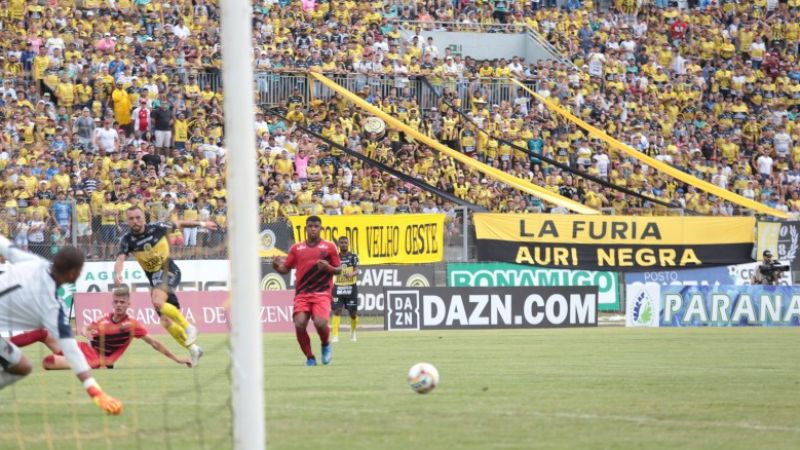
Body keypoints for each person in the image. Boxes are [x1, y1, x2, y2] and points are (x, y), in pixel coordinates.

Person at [0, 239, 122, 415]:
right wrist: (95, 391)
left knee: (22, 366)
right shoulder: (51, 307)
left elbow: (5, 245)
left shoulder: (34, 262)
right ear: (74, 273)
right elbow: (71, 351)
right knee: (21, 367)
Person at [114, 206, 217, 366]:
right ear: (127, 221)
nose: (135, 221)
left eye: (138, 217)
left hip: (170, 271)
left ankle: (189, 327)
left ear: (144, 218)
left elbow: (180, 223)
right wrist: (118, 273)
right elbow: (120, 259)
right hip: (155, 280)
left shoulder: (158, 228)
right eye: (131, 218)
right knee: (165, 321)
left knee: (157, 301)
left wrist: (202, 224)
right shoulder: (127, 240)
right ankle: (193, 349)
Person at [11, 286, 192, 370]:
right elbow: (83, 329)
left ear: (129, 304)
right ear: (112, 303)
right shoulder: (103, 318)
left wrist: (177, 359)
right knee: (43, 332)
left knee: (48, 362)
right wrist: (81, 331)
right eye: (116, 302)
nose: (119, 305)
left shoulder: (132, 325)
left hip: (96, 360)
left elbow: (154, 343)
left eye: (123, 302)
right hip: (82, 349)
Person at [272, 215, 341, 366]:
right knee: (299, 324)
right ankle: (310, 357)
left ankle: (325, 344)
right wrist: (276, 266)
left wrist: (327, 267)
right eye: (310, 226)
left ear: (321, 228)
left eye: (316, 226)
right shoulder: (296, 248)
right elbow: (285, 269)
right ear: (306, 228)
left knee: (320, 323)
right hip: (302, 294)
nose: (313, 229)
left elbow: (339, 269)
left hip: (322, 292)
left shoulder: (329, 247)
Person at [331, 236, 360, 343]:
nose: (343, 244)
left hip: (351, 287)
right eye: (341, 243)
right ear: (338, 244)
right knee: (337, 311)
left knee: (353, 313)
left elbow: (357, 271)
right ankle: (335, 335)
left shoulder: (353, 256)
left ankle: (353, 332)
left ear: (348, 244)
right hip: (338, 287)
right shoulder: (335, 257)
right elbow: (331, 269)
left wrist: (351, 274)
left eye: (345, 242)